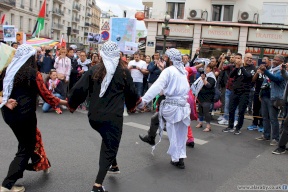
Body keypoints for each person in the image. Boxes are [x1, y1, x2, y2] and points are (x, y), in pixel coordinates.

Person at [67, 42, 140, 192]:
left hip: (94, 116)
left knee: (109, 139)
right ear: (118, 55)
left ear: (101, 55)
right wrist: (133, 106)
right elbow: (131, 94)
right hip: (113, 117)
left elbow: (79, 89)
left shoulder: (94, 70)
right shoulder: (124, 72)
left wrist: (72, 104)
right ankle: (97, 185)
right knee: (109, 145)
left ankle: (114, 166)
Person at [0, 44, 67, 192]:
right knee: (26, 147)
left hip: (8, 114)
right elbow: (46, 95)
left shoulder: (6, 70)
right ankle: (7, 184)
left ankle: (39, 161)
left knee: (27, 141)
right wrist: (65, 102)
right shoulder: (32, 73)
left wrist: (4, 101)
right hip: (25, 115)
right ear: (31, 57)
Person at [138, 48, 190, 169]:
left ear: (170, 59)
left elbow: (157, 86)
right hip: (183, 106)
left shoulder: (169, 71)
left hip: (173, 106)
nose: (163, 60)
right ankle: (179, 158)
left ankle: (177, 159)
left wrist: (144, 100)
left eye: (165, 58)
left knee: (174, 133)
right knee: (181, 134)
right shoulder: (182, 71)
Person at [222, 53, 256, 135]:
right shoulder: (239, 66)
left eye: (251, 58)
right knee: (231, 109)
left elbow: (248, 76)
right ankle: (230, 126)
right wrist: (236, 68)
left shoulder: (252, 68)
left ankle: (238, 128)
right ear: (244, 58)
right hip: (235, 91)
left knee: (241, 111)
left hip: (245, 92)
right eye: (248, 57)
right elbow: (231, 75)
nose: (249, 59)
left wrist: (241, 67)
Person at [257, 55, 286, 146]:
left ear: (282, 61)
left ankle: (275, 138)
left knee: (273, 118)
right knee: (265, 117)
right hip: (265, 95)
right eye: (274, 59)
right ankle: (266, 134)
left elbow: (276, 79)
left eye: (277, 60)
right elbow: (265, 81)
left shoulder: (282, 70)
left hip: (274, 97)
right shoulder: (271, 69)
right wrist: (261, 93)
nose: (274, 61)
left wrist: (265, 71)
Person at [193, 64, 216, 132]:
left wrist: (204, 80)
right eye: (206, 67)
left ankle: (208, 126)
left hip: (208, 97)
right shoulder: (204, 76)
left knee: (206, 111)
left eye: (208, 68)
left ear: (211, 69)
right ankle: (200, 122)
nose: (206, 69)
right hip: (201, 96)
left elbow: (209, 85)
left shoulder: (211, 77)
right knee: (200, 110)